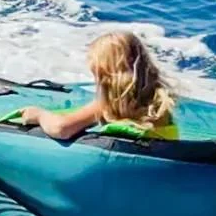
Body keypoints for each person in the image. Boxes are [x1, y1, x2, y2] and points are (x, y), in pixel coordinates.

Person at [14, 30, 181, 142]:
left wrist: (39, 115)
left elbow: (61, 129)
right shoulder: (160, 102)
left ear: (104, 73)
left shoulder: (106, 104)